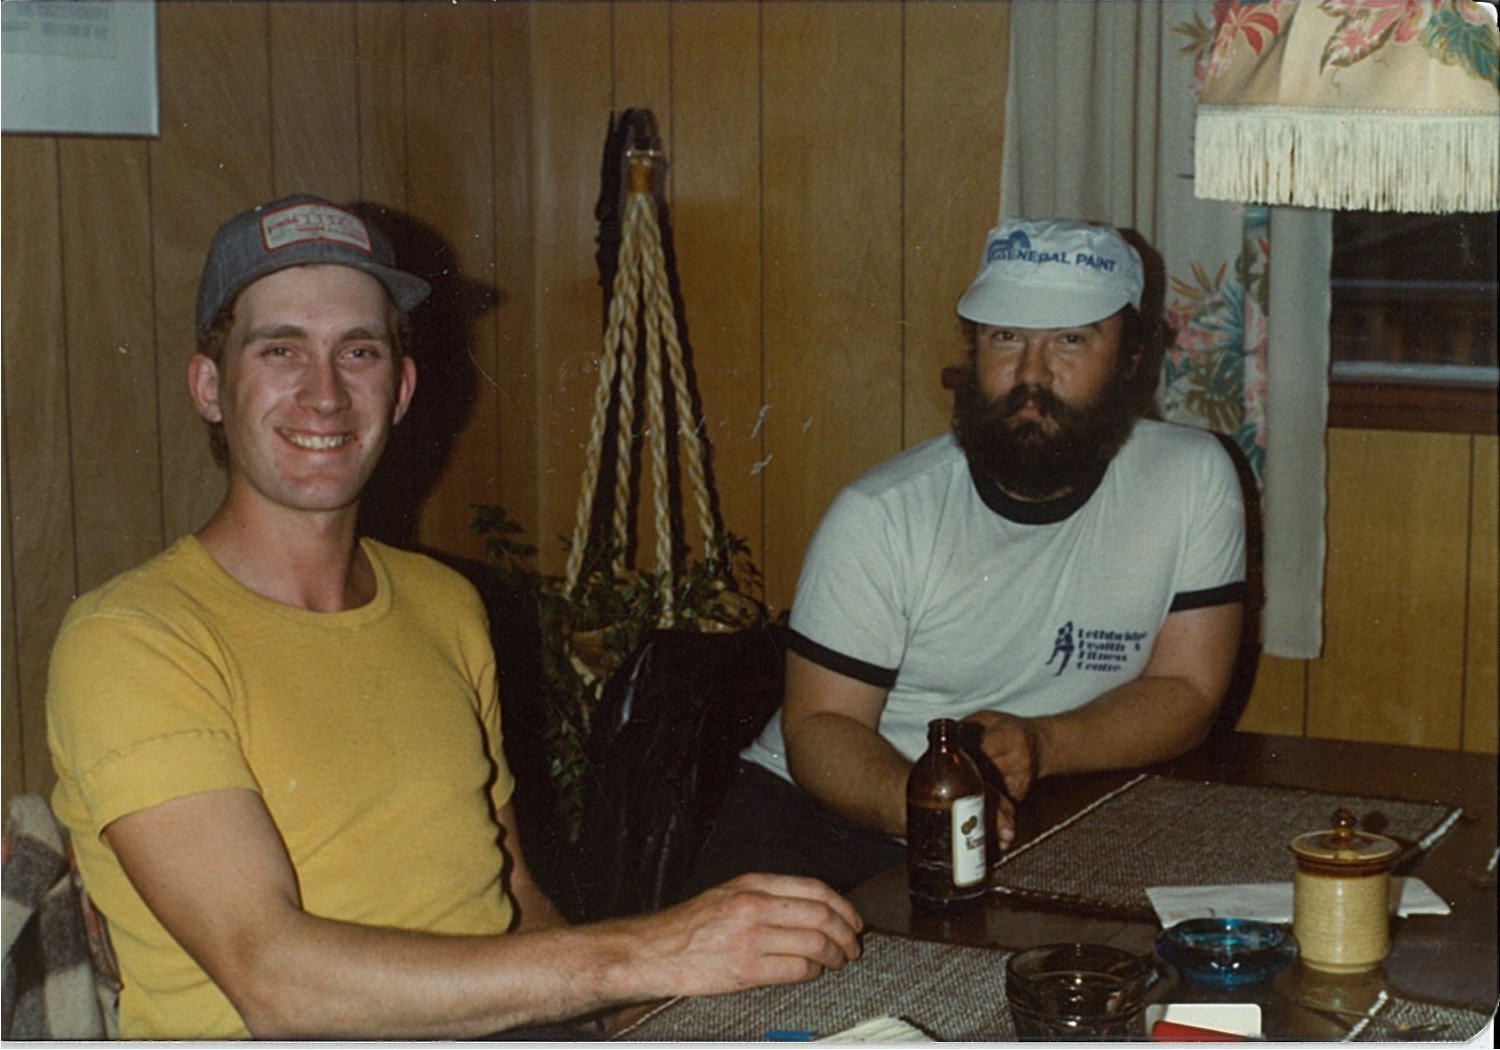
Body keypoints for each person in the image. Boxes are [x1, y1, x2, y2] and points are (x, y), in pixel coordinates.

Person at [45, 194, 862, 1040]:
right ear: (210, 387)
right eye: (280, 348)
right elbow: (274, 981)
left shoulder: (444, 606)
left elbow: (510, 890)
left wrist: (623, 1022)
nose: (324, 394)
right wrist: (646, 950)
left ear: (399, 389)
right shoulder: (132, 638)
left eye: (357, 351)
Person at [689, 217, 1246, 895]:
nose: (1031, 374)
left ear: (1132, 355)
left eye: (1071, 339)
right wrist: (931, 806)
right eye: (1005, 336)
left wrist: (1042, 745)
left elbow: (1188, 690)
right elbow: (819, 726)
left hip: (1045, 803)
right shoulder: (883, 514)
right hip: (826, 821)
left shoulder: (1193, 477)